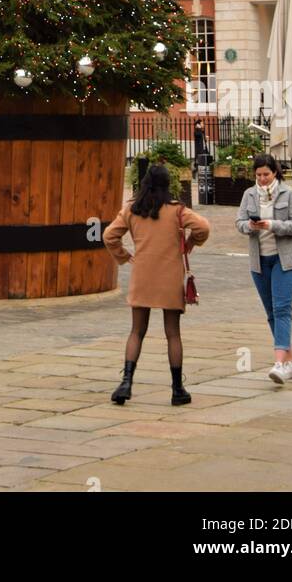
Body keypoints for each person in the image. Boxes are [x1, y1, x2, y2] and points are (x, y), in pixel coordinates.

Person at [104, 163, 210, 406]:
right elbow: (203, 227)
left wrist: (123, 255)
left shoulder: (132, 209)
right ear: (167, 185)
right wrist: (192, 242)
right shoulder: (177, 211)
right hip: (170, 277)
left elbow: (109, 235)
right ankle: (177, 388)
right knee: (172, 333)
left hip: (142, 275)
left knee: (136, 331)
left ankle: (126, 382)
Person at [236, 154, 292, 384]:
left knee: (282, 308)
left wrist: (272, 225)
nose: (262, 179)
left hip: (285, 260)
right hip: (260, 261)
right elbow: (239, 223)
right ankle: (290, 363)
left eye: (266, 174)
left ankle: (279, 364)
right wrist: (250, 225)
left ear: (275, 172)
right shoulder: (249, 195)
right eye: (258, 175)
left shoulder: (289, 193)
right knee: (271, 312)